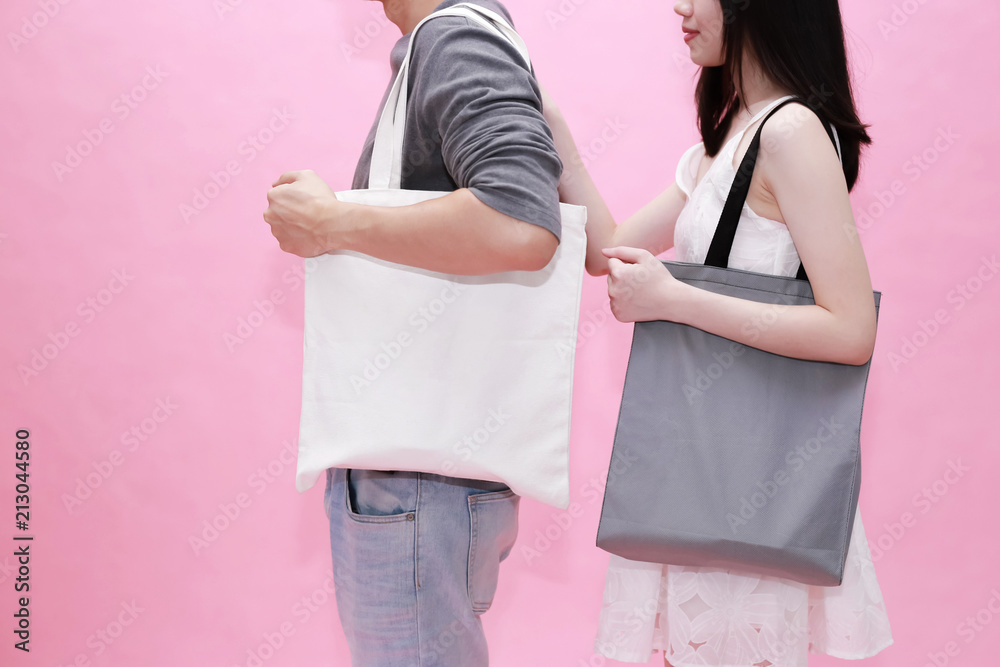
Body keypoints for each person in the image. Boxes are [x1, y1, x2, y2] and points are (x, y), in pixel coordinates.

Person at [540, 0, 893, 664]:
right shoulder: (735, 133)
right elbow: (608, 248)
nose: (680, 7)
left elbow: (852, 329)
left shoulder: (792, 133)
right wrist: (553, 126)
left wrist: (675, 299)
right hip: (706, 470)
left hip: (745, 474)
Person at [262, 0, 563, 664]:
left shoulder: (455, 42)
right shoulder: (464, 40)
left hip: (418, 481)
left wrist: (331, 223)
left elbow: (523, 224)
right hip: (426, 474)